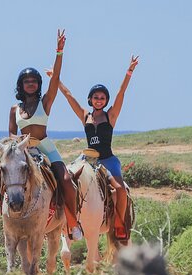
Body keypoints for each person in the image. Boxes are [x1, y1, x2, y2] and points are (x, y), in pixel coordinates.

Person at [0, 30, 83, 241]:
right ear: (21, 85)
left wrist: (59, 52)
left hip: (44, 146)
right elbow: (11, 134)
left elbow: (56, 81)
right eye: (27, 81)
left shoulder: (45, 103)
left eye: (34, 81)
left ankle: (72, 223)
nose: (31, 83)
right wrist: (18, 146)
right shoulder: (13, 109)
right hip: (21, 150)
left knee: (65, 180)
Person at [52, 55, 139, 241]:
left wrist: (129, 72)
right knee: (66, 180)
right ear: (90, 99)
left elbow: (121, 93)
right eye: (95, 97)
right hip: (88, 160)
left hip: (107, 161)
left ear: (106, 100)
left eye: (102, 97)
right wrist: (56, 80)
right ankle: (66, 221)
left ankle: (119, 223)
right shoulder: (85, 116)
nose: (99, 100)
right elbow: (69, 96)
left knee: (121, 190)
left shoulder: (111, 116)